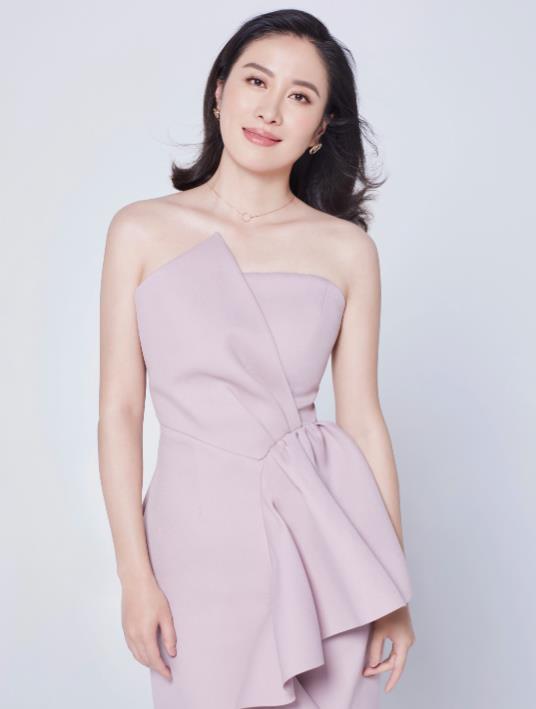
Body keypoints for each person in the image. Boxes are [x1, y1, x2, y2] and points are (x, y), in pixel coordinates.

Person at [98, 9, 416, 708]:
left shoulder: (346, 250)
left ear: (321, 127)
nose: (271, 110)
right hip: (193, 543)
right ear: (220, 91)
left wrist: (391, 587)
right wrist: (134, 576)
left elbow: (363, 420)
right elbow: (119, 411)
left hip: (317, 538)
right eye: (255, 81)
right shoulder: (141, 231)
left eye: (300, 96)